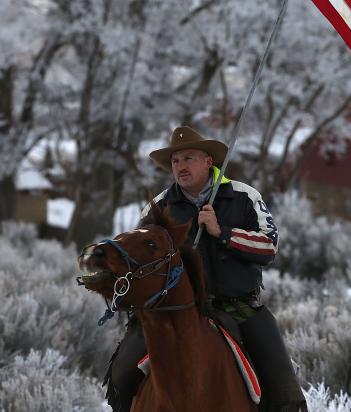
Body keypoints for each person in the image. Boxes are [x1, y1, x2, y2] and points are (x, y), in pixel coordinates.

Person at [104, 125, 306, 411]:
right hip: (170, 312)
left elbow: (268, 246)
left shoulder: (243, 196)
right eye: (175, 161)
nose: (180, 166)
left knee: (287, 394)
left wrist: (222, 231)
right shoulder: (159, 208)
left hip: (239, 307)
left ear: (208, 161)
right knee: (121, 376)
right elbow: (139, 259)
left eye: (188, 158)